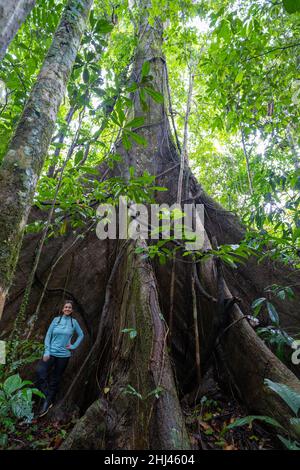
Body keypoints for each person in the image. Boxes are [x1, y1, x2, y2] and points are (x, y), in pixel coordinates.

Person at [35, 300, 84, 417]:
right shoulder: (56, 320)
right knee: (40, 371)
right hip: (51, 353)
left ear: (72, 310)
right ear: (63, 309)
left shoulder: (74, 322)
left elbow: (81, 335)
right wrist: (47, 351)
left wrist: (73, 346)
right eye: (65, 307)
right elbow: (48, 335)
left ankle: (47, 402)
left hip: (64, 356)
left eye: (69, 307)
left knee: (55, 379)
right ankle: (47, 395)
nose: (67, 309)